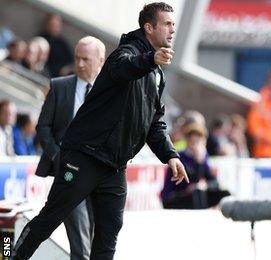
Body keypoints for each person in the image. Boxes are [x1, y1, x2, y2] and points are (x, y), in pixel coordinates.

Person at [13, 3, 189, 260]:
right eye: (167, 24)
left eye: (174, 24)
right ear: (149, 28)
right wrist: (150, 59)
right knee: (49, 219)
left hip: (114, 167)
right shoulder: (125, 54)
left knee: (108, 235)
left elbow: (154, 123)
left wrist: (171, 155)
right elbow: (124, 68)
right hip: (83, 157)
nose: (173, 29)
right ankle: (8, 255)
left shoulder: (157, 74)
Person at [34, 36, 106, 260]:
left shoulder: (110, 92)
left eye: (86, 59)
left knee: (96, 239)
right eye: (77, 58)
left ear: (101, 61)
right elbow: (43, 126)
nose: (80, 63)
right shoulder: (59, 86)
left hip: (99, 175)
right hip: (67, 174)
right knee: (80, 241)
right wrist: (57, 156)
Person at [161, 123, 230, 209]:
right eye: (192, 142)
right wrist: (198, 162)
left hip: (194, 195)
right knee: (196, 193)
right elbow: (192, 181)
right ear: (187, 141)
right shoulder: (180, 157)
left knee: (225, 193)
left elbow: (214, 182)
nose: (195, 145)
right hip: (176, 196)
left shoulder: (203, 156)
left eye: (197, 142)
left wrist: (206, 185)